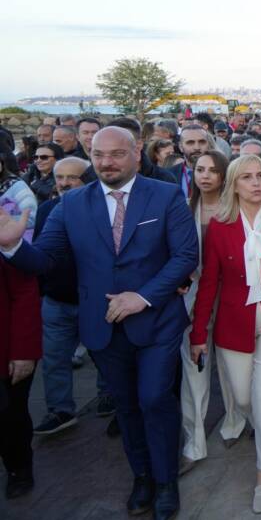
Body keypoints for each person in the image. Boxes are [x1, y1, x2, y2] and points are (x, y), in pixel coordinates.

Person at [0, 127, 198, 519]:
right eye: (98, 154)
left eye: (116, 154)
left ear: (136, 153)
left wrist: (140, 297)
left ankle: (165, 481)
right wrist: (13, 247)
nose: (106, 162)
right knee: (125, 406)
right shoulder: (71, 203)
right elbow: (46, 262)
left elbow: (185, 256)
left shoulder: (165, 195)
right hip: (102, 326)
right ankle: (141, 476)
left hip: (156, 322)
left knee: (155, 399)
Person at [189, 155, 261, 514]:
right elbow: (209, 282)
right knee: (241, 398)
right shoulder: (220, 226)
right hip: (233, 325)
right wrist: (198, 334)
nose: (256, 183)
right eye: (247, 178)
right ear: (234, 185)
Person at [31, 157, 116, 437]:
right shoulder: (46, 210)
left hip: (94, 299)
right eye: (60, 177)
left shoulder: (106, 210)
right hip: (57, 299)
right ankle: (60, 410)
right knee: (54, 358)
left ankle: (110, 396)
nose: (65, 183)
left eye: (73, 177)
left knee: (104, 354)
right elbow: (40, 254)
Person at [178, 150, 246, 475]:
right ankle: (193, 443)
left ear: (223, 175)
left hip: (231, 295)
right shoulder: (182, 209)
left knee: (231, 365)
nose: (204, 175)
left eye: (212, 170)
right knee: (194, 368)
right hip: (192, 298)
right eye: (199, 169)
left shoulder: (235, 210)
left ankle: (234, 421)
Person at [1, 256, 41, 500]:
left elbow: (25, 291)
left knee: (9, 417)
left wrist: (24, 352)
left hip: (9, 354)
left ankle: (19, 467)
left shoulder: (5, 233)